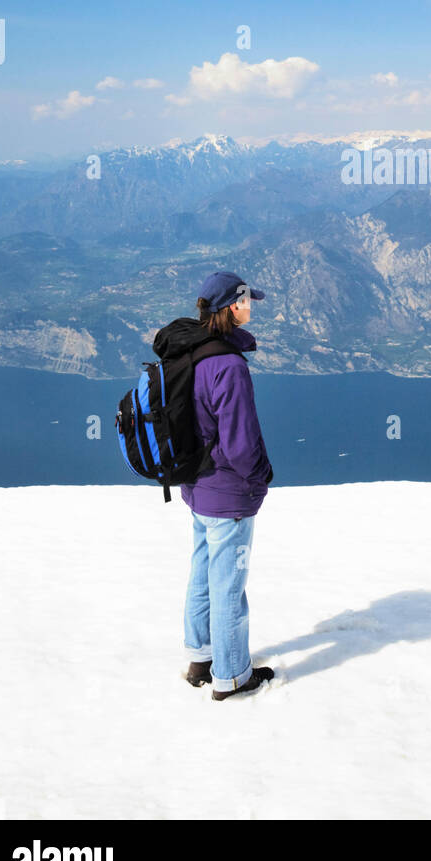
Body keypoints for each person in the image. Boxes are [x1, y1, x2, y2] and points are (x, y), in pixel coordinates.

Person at [166, 270, 274, 700]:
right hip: (228, 493)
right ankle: (231, 677)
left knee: (203, 574)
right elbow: (241, 444)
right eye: (248, 301)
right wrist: (261, 476)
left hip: (196, 487)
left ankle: (201, 659)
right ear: (232, 306)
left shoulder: (189, 354)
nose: (252, 308)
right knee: (229, 584)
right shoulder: (228, 366)